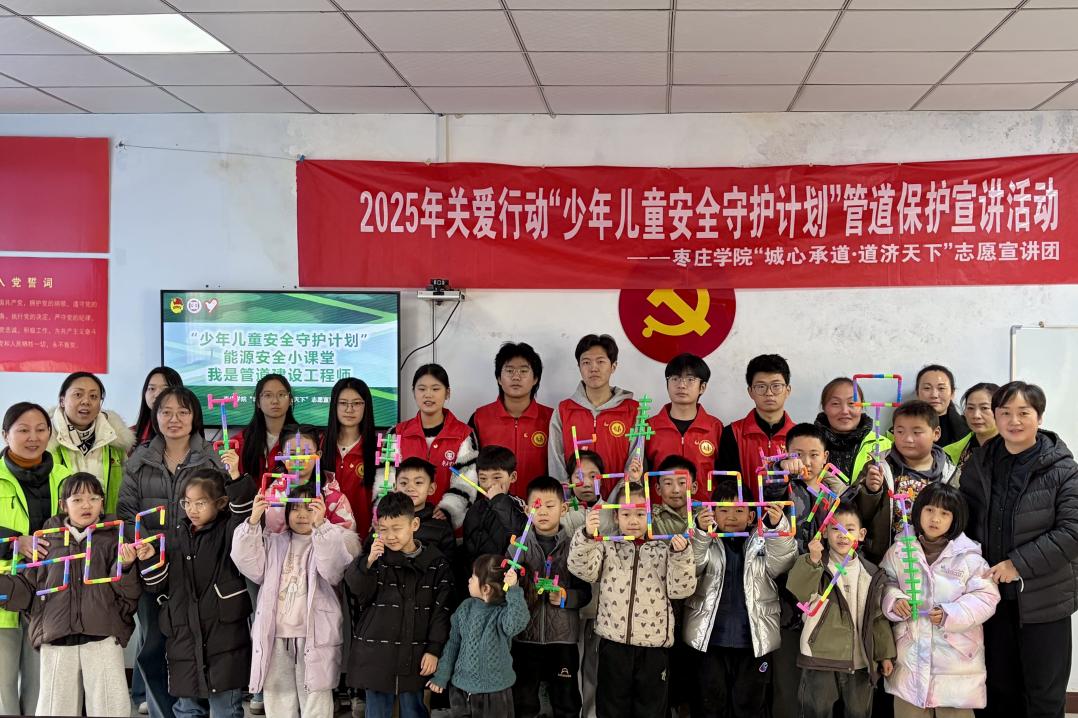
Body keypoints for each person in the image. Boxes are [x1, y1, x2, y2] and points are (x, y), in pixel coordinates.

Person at [959, 381, 1078, 718]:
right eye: (1005, 412)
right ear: (996, 416)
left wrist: (1018, 564)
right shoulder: (979, 464)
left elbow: (1073, 530)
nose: (1014, 421)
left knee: (1044, 694)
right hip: (990, 597)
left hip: (1044, 600)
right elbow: (964, 521)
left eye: (1024, 412)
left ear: (1039, 417)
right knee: (998, 689)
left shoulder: (1064, 470)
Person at [118, 386, 237, 718]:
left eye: (183, 412)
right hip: (152, 570)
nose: (174, 419)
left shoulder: (212, 458)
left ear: (194, 417)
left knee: (201, 645)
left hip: (200, 571)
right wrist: (149, 550)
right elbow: (126, 514)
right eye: (166, 412)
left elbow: (223, 513)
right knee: (154, 646)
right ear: (155, 416)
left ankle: (197, 710)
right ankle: (163, 712)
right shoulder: (139, 460)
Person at [0, 472, 150, 717]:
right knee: (55, 707)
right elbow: (29, 589)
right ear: (63, 505)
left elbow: (130, 592)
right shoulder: (46, 540)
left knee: (109, 707)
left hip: (103, 635)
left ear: (102, 503)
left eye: (93, 498)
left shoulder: (116, 538)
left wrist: (124, 567)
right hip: (56, 636)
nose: (86, 505)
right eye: (77, 499)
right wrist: (6, 588)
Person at [567, 482, 697, 718]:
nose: (633, 520)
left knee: (651, 710)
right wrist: (587, 535)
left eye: (640, 514)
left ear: (650, 515)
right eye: (626, 514)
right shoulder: (607, 546)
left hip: (653, 648)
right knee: (611, 708)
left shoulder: (664, 549)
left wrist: (681, 556)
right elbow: (581, 569)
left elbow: (681, 590)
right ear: (616, 517)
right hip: (613, 644)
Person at [232, 482, 359, 718]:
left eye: (310, 508)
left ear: (321, 511)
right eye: (296, 508)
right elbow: (248, 563)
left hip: (315, 637)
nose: (302, 515)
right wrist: (253, 522)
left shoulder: (330, 539)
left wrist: (321, 528)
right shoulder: (274, 541)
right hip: (276, 636)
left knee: (316, 701)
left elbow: (333, 570)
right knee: (278, 700)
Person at [140, 466, 256, 718]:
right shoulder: (175, 536)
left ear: (221, 503)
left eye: (200, 503)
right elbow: (157, 585)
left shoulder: (229, 530)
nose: (192, 509)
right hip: (183, 640)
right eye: (187, 503)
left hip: (224, 640)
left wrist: (237, 478)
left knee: (225, 709)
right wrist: (150, 559)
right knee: (187, 708)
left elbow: (244, 513)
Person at [879, 483, 1000, 718]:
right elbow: (885, 583)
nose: (935, 519)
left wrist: (950, 614)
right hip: (910, 662)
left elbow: (986, 597)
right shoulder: (899, 550)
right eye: (929, 510)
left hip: (956, 665)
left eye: (945, 513)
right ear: (918, 511)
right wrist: (894, 600)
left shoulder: (969, 557)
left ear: (955, 519)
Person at [683, 479, 797, 718]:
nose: (731, 517)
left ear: (751, 516)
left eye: (739, 510)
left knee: (749, 705)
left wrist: (776, 527)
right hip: (710, 640)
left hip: (753, 641)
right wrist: (701, 533)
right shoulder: (706, 541)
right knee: (709, 704)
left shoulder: (762, 542)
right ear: (713, 514)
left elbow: (783, 561)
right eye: (723, 510)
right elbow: (690, 566)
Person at [346, 492, 454, 718]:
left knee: (414, 710)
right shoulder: (375, 558)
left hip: (415, 654)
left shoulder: (436, 563)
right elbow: (356, 590)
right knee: (376, 712)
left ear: (414, 525)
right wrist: (368, 562)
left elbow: (441, 611)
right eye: (383, 529)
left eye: (397, 528)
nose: (390, 536)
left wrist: (434, 649)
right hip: (376, 655)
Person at [787, 504, 896, 718]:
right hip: (820, 657)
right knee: (815, 711)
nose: (842, 535)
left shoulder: (871, 573)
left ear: (861, 534)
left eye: (850, 529)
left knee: (859, 712)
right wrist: (813, 560)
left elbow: (877, 618)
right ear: (825, 532)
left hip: (860, 660)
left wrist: (885, 655)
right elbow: (798, 591)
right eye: (836, 528)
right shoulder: (815, 563)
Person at [0, 401, 73, 716]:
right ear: (5, 434)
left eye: (41, 429)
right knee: (2, 687)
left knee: (43, 687)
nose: (33, 437)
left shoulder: (65, 476)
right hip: (4, 593)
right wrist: (15, 542)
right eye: (23, 430)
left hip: (48, 593)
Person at [511, 476, 592, 718]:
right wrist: (516, 585)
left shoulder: (574, 546)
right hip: (525, 637)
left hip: (563, 640)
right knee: (523, 700)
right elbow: (505, 588)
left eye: (550, 505)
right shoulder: (518, 547)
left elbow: (585, 592)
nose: (543, 512)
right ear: (527, 510)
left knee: (566, 700)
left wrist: (566, 598)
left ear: (564, 509)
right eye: (536, 506)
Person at [855, 400, 957, 565]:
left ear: (936, 433)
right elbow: (857, 514)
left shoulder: (950, 473)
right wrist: (871, 491)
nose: (908, 439)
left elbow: (957, 519)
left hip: (934, 563)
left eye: (917, 432)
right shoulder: (878, 466)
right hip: (885, 560)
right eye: (900, 431)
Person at [429, 555, 531, 718]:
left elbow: (516, 623)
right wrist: (442, 675)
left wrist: (514, 590)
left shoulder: (502, 612)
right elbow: (453, 644)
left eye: (473, 577)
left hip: (495, 692)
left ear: (486, 589)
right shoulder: (465, 608)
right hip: (460, 689)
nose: (469, 580)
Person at [548, 334, 641, 496]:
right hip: (574, 506)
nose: (593, 368)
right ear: (579, 367)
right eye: (586, 362)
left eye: (600, 361)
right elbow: (556, 464)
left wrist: (615, 503)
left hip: (619, 506)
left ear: (613, 366)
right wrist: (569, 502)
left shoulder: (632, 411)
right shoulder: (564, 411)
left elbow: (634, 463)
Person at [387, 364, 478, 529]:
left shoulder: (464, 434)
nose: (428, 394)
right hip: (402, 529)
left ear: (447, 393)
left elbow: (467, 481)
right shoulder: (395, 433)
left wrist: (449, 509)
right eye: (422, 389)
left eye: (435, 389)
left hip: (446, 528)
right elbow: (385, 480)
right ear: (413, 392)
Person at [469, 342, 553, 497]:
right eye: (509, 371)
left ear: (535, 378)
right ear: (499, 378)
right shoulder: (480, 418)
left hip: (539, 506)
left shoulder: (551, 418)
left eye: (523, 371)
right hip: (491, 505)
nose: (516, 377)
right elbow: (469, 469)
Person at [49, 372, 135, 514]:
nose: (86, 401)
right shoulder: (46, 441)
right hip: (59, 526)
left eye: (93, 396)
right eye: (78, 394)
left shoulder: (114, 441)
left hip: (106, 525)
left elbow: (126, 493)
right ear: (62, 400)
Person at [716, 354, 796, 499]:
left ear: (788, 390)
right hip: (744, 513)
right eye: (761, 387)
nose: (769, 393)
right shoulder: (732, 433)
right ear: (750, 392)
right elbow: (726, 487)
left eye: (776, 386)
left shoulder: (799, 436)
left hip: (789, 513)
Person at [646, 353, 723, 502]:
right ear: (667, 384)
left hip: (704, 511)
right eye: (675, 378)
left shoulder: (715, 428)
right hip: (659, 511)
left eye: (690, 379)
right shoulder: (649, 427)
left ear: (702, 387)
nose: (681, 385)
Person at [263, 425, 357, 536]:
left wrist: (322, 525)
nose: (299, 460)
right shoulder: (268, 496)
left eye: (307, 453)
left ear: (318, 455)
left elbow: (348, 541)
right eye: (292, 454)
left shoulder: (335, 499)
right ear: (282, 457)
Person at [323, 377, 377, 539]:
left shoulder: (378, 449)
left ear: (366, 406)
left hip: (366, 538)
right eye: (343, 403)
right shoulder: (320, 446)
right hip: (326, 539)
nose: (349, 409)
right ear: (334, 406)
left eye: (357, 403)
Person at [463, 445, 527, 565]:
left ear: (513, 477)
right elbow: (467, 547)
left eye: (497, 477)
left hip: (505, 573)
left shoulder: (519, 505)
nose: (489, 484)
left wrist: (498, 499)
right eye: (483, 478)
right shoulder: (474, 508)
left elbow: (520, 535)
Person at [394, 456, 456, 567]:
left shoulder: (442, 527)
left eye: (418, 482)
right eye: (403, 483)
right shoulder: (384, 521)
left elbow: (448, 568)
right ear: (395, 487)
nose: (410, 488)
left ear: (431, 488)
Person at [238, 373, 298, 481]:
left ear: (290, 400)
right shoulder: (241, 441)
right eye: (268, 395)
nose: (275, 401)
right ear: (258, 402)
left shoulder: (302, 438)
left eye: (281, 395)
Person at [814, 377, 873, 480]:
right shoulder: (808, 443)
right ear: (824, 407)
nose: (845, 411)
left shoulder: (882, 446)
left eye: (852, 403)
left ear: (862, 406)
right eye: (835, 404)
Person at [947, 383, 999, 480]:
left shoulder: (1014, 450)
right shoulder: (950, 452)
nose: (976, 415)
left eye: (984, 408)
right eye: (970, 408)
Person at [915, 365, 970, 455]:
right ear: (917, 393)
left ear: (952, 393)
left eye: (941, 388)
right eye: (927, 388)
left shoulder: (970, 429)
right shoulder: (900, 430)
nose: (934, 395)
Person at [131, 366, 183, 447]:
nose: (157, 395)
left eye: (165, 389)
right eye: (152, 388)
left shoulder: (188, 434)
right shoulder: (129, 436)